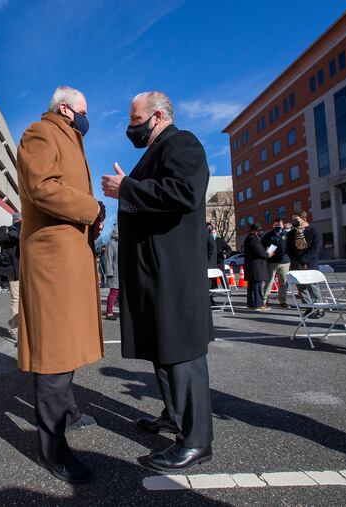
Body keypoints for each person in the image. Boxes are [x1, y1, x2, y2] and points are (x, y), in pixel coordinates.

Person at [102, 91, 213, 472]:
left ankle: (196, 441)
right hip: (155, 271)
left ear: (158, 115)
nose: (130, 129)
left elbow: (185, 193)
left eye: (135, 121)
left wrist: (126, 189)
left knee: (181, 353)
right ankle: (174, 416)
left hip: (174, 273)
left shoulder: (182, 143)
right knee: (163, 350)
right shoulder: (155, 151)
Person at [17, 86, 105, 484]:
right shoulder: (41, 132)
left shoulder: (69, 137)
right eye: (85, 110)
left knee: (65, 343)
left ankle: (67, 413)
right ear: (66, 108)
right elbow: (44, 188)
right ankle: (53, 450)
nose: (89, 117)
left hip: (69, 258)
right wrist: (93, 208)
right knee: (53, 352)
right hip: (53, 260)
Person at [286, 211, 323, 318]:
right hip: (296, 264)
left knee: (313, 287)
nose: (293, 222)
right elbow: (289, 249)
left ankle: (319, 308)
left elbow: (315, 248)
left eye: (296, 219)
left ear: (304, 219)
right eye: (292, 219)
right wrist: (296, 261)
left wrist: (304, 260)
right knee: (301, 288)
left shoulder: (313, 231)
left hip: (310, 263)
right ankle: (309, 307)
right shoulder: (291, 233)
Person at [0, 213, 22, 339]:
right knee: (16, 300)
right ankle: (15, 331)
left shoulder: (27, 229)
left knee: (26, 301)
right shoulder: (6, 229)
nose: (19, 222)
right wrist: (11, 235)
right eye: (18, 220)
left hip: (28, 271)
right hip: (12, 271)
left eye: (20, 220)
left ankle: (16, 324)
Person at [261, 218, 291, 308]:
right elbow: (262, 247)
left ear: (283, 225)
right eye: (276, 225)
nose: (278, 226)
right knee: (269, 282)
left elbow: (291, 246)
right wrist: (266, 253)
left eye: (279, 225)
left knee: (283, 283)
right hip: (272, 262)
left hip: (284, 262)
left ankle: (283, 301)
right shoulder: (268, 235)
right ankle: (265, 300)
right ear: (273, 226)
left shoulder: (287, 235)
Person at [243, 223, 270, 311]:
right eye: (260, 230)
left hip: (251, 266)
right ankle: (258, 305)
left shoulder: (248, 238)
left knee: (251, 286)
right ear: (255, 230)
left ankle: (251, 304)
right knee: (257, 286)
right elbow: (259, 252)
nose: (261, 232)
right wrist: (268, 254)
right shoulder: (253, 238)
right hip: (256, 266)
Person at [104, 228, 119, 320]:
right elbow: (108, 259)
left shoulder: (120, 243)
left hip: (120, 273)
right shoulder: (111, 243)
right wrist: (109, 272)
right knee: (114, 292)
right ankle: (109, 313)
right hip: (114, 273)